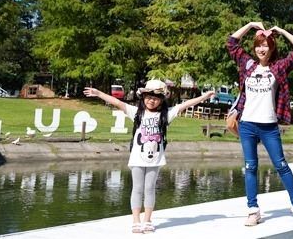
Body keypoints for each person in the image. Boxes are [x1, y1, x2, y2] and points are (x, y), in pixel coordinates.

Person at [84, 80, 215, 234]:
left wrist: (204, 96)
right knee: (137, 188)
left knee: (149, 188)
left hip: (156, 158)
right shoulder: (136, 112)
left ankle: (147, 220)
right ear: (143, 97)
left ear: (161, 100)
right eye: (148, 97)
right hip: (137, 157)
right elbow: (117, 102)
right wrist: (98, 93)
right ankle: (136, 221)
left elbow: (185, 105)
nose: (151, 100)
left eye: (156, 97)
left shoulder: (166, 114)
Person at [226, 21, 293, 227]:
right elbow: (232, 43)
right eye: (258, 45)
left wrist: (279, 31)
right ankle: (253, 211)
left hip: (269, 126)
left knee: (281, 166)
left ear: (271, 48)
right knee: (250, 167)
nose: (261, 49)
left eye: (265, 45)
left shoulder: (278, 67)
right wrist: (250, 24)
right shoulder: (247, 65)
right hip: (247, 125)